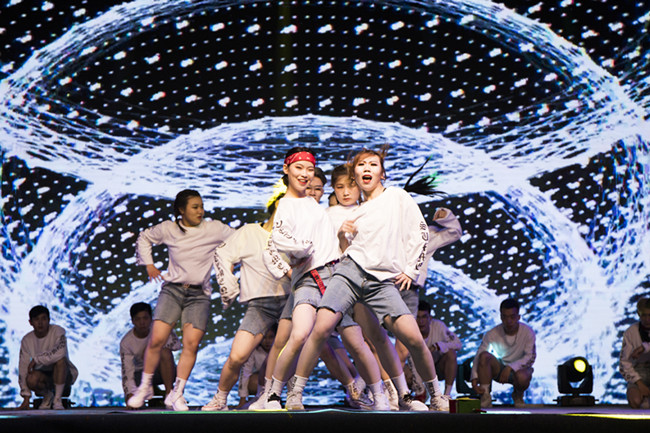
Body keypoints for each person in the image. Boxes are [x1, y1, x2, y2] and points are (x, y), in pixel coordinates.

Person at [288, 147, 450, 412]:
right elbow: (344, 250)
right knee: (321, 327)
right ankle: (295, 393)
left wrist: (411, 269)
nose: (367, 168)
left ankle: (433, 396)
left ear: (382, 173)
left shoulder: (397, 196)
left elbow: (420, 231)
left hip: (381, 281)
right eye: (361, 165)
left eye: (373, 165)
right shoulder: (356, 212)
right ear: (355, 175)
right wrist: (343, 236)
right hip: (350, 273)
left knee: (412, 338)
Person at [260, 147, 388, 411]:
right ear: (286, 169)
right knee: (299, 335)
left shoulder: (314, 205)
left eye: (309, 169)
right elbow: (278, 241)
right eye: (299, 168)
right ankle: (274, 395)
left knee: (356, 341)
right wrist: (299, 252)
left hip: (335, 278)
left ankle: (380, 395)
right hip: (308, 279)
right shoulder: (285, 205)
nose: (305, 174)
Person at [127, 189, 234, 411]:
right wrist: (148, 264)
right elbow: (144, 237)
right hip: (173, 290)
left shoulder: (213, 228)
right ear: (181, 210)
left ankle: (177, 393)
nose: (200, 211)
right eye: (195, 207)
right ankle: (145, 387)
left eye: (201, 206)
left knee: (191, 344)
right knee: (157, 339)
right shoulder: (169, 228)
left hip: (198, 295)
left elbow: (240, 239)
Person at [201, 192, 291, 411]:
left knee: (285, 352)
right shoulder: (249, 232)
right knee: (238, 355)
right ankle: (220, 398)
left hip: (290, 301)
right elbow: (223, 254)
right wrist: (230, 285)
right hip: (260, 305)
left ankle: (271, 396)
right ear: (276, 205)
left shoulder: (294, 236)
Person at [470, 298, 536, 408]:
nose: (509, 321)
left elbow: (529, 356)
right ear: (501, 317)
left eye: (512, 317)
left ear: (518, 317)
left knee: (522, 377)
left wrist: (510, 367)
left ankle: (518, 394)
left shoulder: (528, 332)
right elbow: (479, 355)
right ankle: (485, 396)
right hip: (500, 368)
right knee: (484, 356)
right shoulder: (492, 333)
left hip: (520, 369)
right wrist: (474, 378)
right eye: (505, 317)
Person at [18, 305, 78, 410]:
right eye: (36, 319)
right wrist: (26, 396)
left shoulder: (58, 331)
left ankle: (57, 400)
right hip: (43, 376)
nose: (40, 323)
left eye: (43, 319)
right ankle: (47, 396)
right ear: (31, 322)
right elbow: (23, 367)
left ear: (49, 320)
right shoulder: (27, 340)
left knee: (60, 361)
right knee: (31, 378)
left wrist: (37, 360)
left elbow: (60, 353)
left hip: (64, 375)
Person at [120, 302, 180, 405]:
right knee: (134, 403)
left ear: (151, 319)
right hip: (140, 375)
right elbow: (127, 372)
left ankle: (169, 394)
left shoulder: (159, 329)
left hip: (163, 370)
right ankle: (147, 391)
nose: (142, 322)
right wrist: (129, 393)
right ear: (133, 321)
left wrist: (154, 347)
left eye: (145, 318)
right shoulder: (126, 342)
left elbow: (177, 345)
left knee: (164, 352)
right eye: (138, 319)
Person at [406, 300, 462, 399]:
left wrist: (439, 346)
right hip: (417, 369)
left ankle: (447, 396)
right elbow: (411, 361)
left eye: (424, 317)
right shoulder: (408, 331)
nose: (421, 321)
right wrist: (420, 388)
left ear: (430, 318)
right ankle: (409, 397)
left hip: (437, 368)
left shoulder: (439, 326)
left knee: (451, 354)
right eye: (418, 317)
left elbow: (458, 344)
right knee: (403, 370)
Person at [236, 325, 277, 408]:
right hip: (263, 379)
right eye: (264, 338)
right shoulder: (254, 351)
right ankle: (261, 397)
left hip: (280, 379)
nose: (267, 341)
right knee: (253, 381)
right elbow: (245, 373)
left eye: (271, 337)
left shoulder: (283, 349)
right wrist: (242, 400)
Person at [620, 297, 650, 409]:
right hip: (638, 371)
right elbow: (624, 362)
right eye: (644, 315)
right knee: (635, 401)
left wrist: (644, 348)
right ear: (638, 314)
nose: (647, 319)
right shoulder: (631, 332)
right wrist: (639, 383)